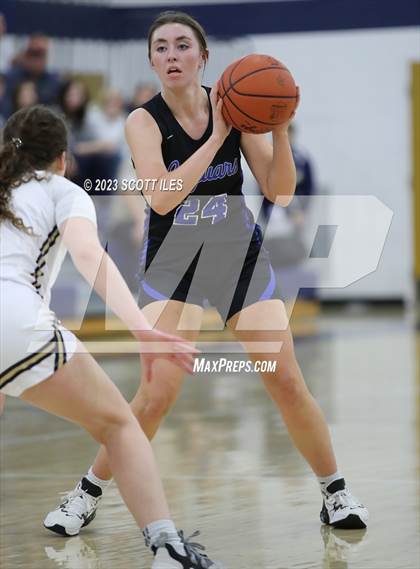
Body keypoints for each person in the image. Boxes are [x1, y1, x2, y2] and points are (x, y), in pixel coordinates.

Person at [45, 10, 368, 538]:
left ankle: (335, 490)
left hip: (236, 252)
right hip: (175, 260)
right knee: (155, 395)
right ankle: (86, 493)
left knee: (285, 379)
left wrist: (278, 130)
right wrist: (219, 136)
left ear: (203, 56)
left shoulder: (236, 105)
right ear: (152, 60)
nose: (171, 56)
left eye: (181, 46)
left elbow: (280, 192)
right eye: (161, 48)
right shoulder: (142, 121)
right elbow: (162, 196)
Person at [0, 104, 223, 569]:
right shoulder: (64, 191)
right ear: (63, 157)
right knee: (121, 426)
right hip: (14, 316)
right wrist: (140, 327)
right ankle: (169, 551)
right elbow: (88, 256)